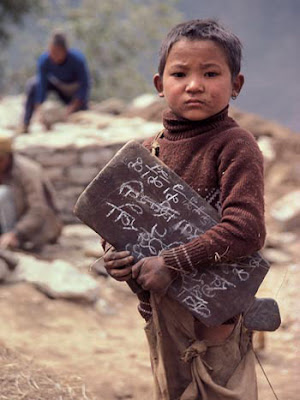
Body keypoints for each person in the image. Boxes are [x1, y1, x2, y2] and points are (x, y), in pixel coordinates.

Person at [103, 19, 265, 399]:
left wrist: (172, 262)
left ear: (235, 85)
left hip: (214, 321)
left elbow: (246, 228)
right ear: (160, 85)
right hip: (158, 314)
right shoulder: (147, 151)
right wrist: (113, 257)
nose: (194, 85)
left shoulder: (234, 145)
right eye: (180, 73)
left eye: (211, 73)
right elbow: (117, 222)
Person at [19, 30, 90, 133]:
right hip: (57, 85)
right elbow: (41, 85)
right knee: (33, 84)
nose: (53, 55)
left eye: (57, 52)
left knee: (82, 115)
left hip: (73, 91)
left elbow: (85, 85)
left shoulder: (77, 60)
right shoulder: (44, 60)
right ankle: (25, 124)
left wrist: (72, 107)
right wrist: (39, 108)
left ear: (65, 51)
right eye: (51, 51)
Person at [0, 134, 62, 250]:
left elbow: (38, 209)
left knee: (2, 194)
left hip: (39, 228)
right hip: (13, 222)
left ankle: (9, 242)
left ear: (6, 158)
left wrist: (15, 233)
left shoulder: (28, 171)